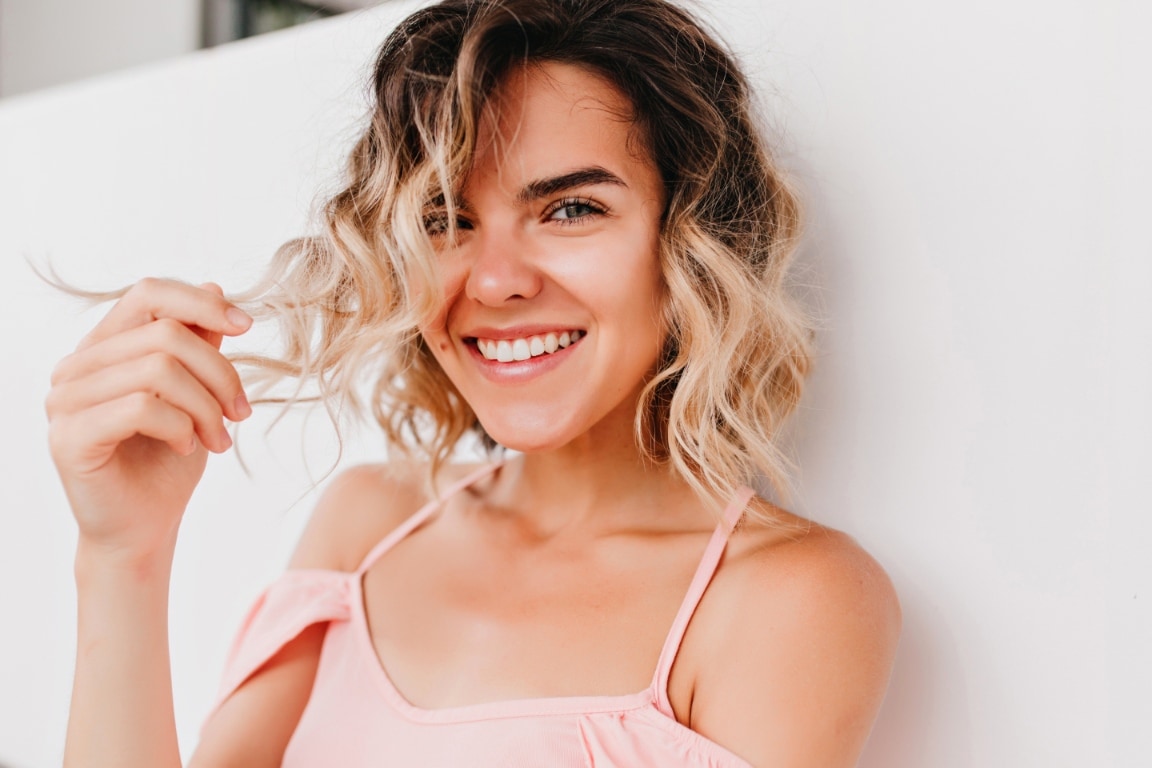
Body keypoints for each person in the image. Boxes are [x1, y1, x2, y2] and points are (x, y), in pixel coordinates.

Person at [46, 0, 901, 765]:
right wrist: (124, 555)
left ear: (690, 241)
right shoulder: (366, 528)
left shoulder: (786, 599)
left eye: (570, 209)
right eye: (446, 219)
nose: (493, 282)